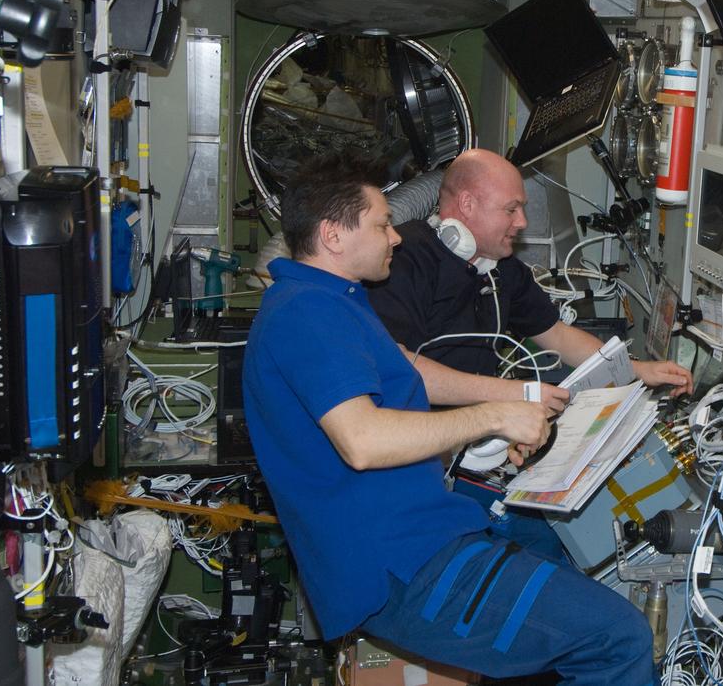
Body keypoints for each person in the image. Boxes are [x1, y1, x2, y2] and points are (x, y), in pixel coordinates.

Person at [243, 150, 654, 684]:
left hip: (422, 536)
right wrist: (491, 416)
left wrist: (516, 400)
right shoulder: (305, 314)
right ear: (334, 236)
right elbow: (362, 441)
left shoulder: (336, 302)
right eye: (382, 224)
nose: (395, 237)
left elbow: (414, 377)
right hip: (402, 563)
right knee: (619, 637)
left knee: (567, 576)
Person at [367, 148, 693, 405]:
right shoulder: (402, 258)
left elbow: (559, 336)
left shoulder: (500, 264)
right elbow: (397, 367)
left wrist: (635, 370)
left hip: (478, 424)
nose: (522, 221)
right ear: (466, 204)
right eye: (511, 209)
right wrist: (513, 395)